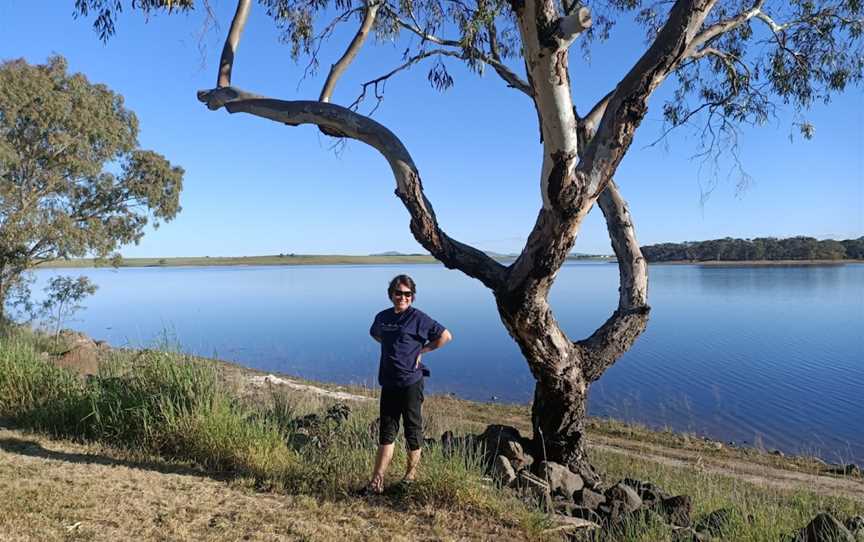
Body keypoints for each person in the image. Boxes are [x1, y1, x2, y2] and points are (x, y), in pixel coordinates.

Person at [366, 274, 452, 494]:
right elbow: (376, 334)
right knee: (386, 432)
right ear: (391, 294)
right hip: (388, 382)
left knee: (412, 431)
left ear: (412, 296)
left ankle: (410, 478)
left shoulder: (418, 318)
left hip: (411, 383)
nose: (402, 297)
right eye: (398, 293)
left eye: (407, 294)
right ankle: (377, 482)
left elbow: (445, 336)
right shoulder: (382, 317)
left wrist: (422, 351)